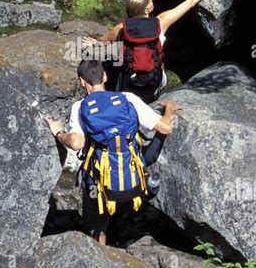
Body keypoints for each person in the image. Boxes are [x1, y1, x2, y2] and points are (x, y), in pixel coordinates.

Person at [46, 60, 181, 246]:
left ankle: (100, 250)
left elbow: (76, 144)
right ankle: (149, 189)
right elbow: (165, 128)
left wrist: (59, 132)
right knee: (143, 155)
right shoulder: (128, 98)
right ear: (105, 77)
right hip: (134, 178)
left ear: (82, 81)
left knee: (96, 227)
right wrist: (169, 108)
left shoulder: (80, 107)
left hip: (100, 185)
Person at [83, 0, 233, 103]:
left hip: (129, 83)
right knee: (158, 81)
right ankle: (156, 99)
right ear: (147, 8)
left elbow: (105, 40)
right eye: (151, 0)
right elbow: (191, 2)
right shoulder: (161, 22)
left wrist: (94, 43)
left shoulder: (121, 28)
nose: (153, 0)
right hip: (155, 81)